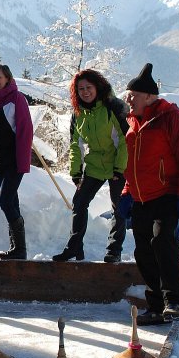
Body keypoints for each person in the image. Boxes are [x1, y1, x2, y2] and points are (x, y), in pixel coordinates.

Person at [116, 63, 179, 326]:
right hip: (141, 198)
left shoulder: (172, 119)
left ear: (150, 96)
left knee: (163, 242)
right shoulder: (133, 126)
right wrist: (127, 193)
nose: (128, 100)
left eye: (133, 96)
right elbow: (133, 167)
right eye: (128, 95)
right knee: (143, 252)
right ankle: (155, 305)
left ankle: (173, 300)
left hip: (167, 194)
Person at [53, 69, 129, 263]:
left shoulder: (113, 108)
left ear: (98, 87)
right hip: (94, 164)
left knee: (118, 208)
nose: (85, 92)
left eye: (88, 87)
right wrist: (76, 171)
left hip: (117, 164)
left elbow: (124, 140)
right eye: (80, 89)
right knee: (79, 203)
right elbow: (75, 145)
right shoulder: (78, 114)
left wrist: (119, 170)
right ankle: (74, 248)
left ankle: (114, 250)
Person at [0, 64, 34, 260]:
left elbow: (25, 130)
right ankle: (17, 249)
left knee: (5, 201)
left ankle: (19, 249)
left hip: (14, 161)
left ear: (7, 78)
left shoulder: (17, 99)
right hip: (0, 161)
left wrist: (22, 161)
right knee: (12, 202)